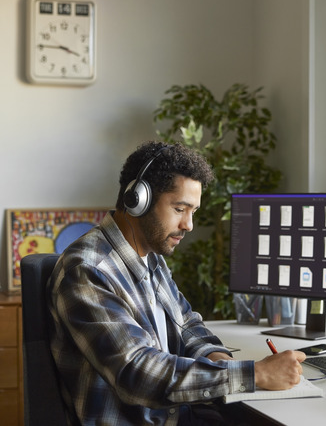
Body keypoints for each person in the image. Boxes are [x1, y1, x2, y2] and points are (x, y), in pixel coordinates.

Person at [48, 141, 306, 425]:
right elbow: (136, 373)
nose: (189, 225)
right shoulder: (87, 270)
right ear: (138, 200)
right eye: (180, 208)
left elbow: (187, 326)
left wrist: (224, 363)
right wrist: (255, 375)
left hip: (176, 415)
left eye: (192, 211)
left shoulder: (150, 257)